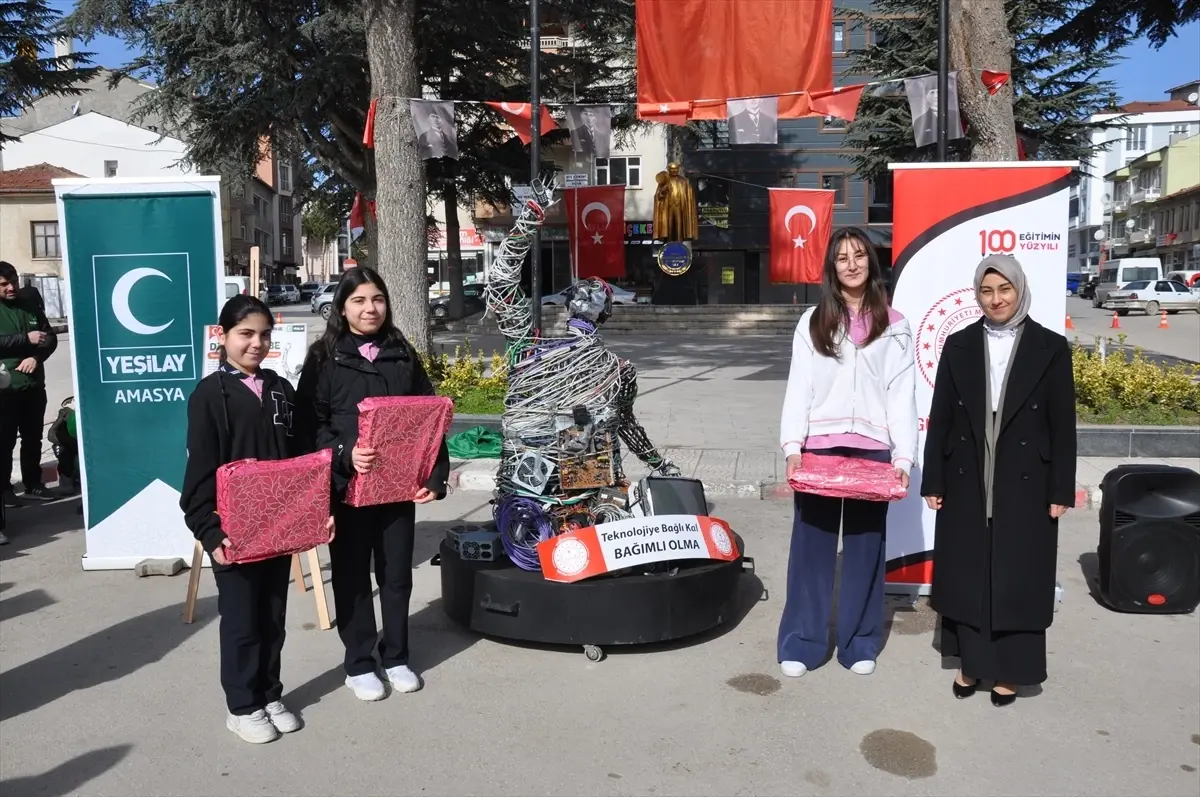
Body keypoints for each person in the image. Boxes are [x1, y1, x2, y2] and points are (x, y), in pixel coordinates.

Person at [922, 255, 1075, 707]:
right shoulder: (959, 343)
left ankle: (1012, 671)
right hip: (968, 471)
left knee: (1017, 573)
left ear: (1019, 290)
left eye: (1004, 289)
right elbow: (943, 416)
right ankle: (971, 665)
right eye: (987, 291)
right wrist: (934, 479)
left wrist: (1060, 488)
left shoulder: (1050, 346)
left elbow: (1062, 423)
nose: (996, 299)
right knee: (970, 570)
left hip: (1027, 478)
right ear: (978, 295)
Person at [179, 295, 333, 743]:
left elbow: (302, 461)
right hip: (234, 533)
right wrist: (210, 531)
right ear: (222, 337)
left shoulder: (281, 388)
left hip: (279, 529)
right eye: (245, 333)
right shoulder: (210, 396)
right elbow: (198, 474)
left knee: (273, 616)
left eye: (264, 334)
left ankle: (268, 694)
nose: (256, 343)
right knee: (243, 622)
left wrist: (316, 512)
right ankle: (242, 705)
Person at [295, 266, 450, 702]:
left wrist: (434, 476)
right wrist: (346, 452)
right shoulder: (325, 358)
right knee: (351, 575)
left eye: (377, 299)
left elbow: (429, 418)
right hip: (346, 487)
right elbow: (309, 426)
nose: (370, 309)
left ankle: (397, 655)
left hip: (398, 488)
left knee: (397, 575)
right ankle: (359, 662)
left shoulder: (402, 353)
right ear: (342, 308)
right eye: (359, 300)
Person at [777, 227, 917, 679]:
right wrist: (792, 445)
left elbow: (902, 394)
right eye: (842, 258)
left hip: (873, 452)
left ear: (871, 263)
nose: (852, 264)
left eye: (859, 255)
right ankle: (803, 641)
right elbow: (800, 387)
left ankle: (859, 643)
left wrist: (903, 458)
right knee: (811, 549)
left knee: (864, 550)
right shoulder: (813, 321)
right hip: (821, 445)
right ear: (831, 268)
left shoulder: (896, 325)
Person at [1, 261, 58, 508]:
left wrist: (36, 357)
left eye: (12, 281)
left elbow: (50, 337)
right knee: (4, 441)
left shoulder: (29, 305)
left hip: (33, 385)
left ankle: (33, 483)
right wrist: (25, 339)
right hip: (5, 389)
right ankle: (4, 490)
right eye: (4, 284)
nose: (11, 287)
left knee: (33, 438)